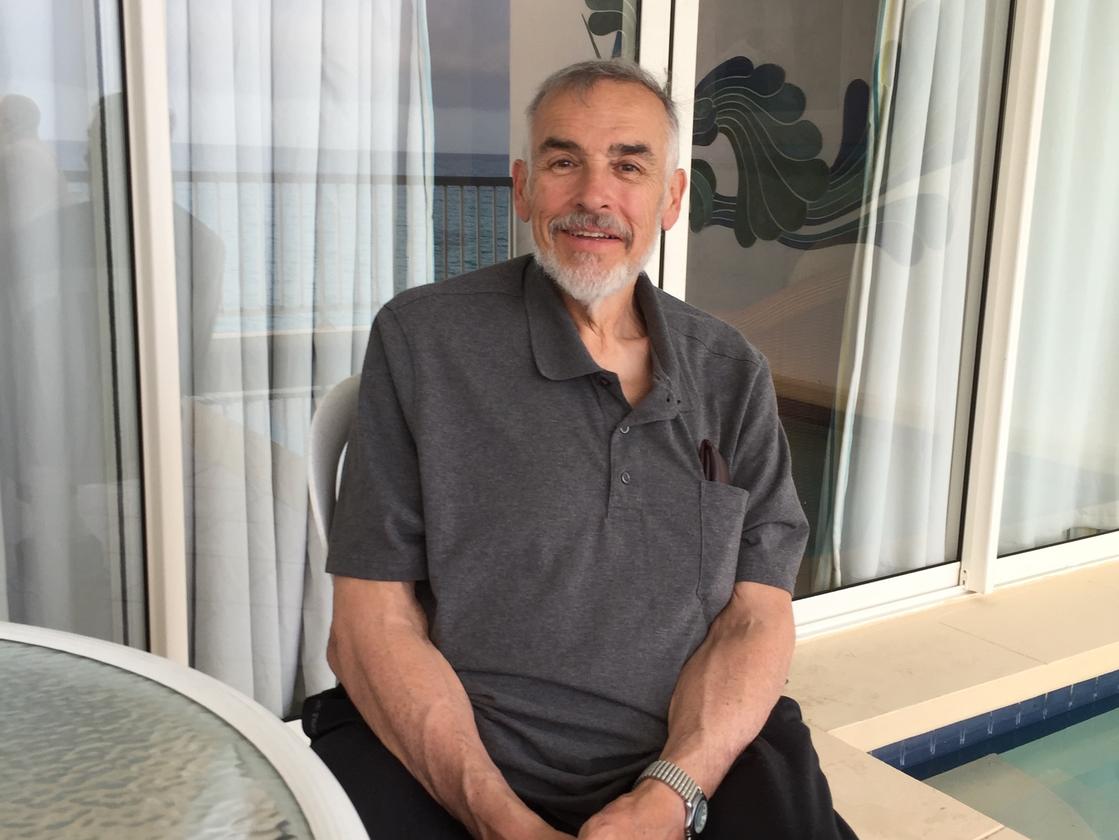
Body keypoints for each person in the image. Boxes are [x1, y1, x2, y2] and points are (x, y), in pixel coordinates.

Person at [305, 60, 855, 840]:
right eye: (564, 162)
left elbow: (755, 615)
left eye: (628, 167)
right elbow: (371, 623)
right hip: (462, 755)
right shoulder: (424, 342)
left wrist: (668, 794)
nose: (594, 196)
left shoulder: (729, 371)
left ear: (670, 198)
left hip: (688, 755)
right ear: (524, 189)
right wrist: (499, 819)